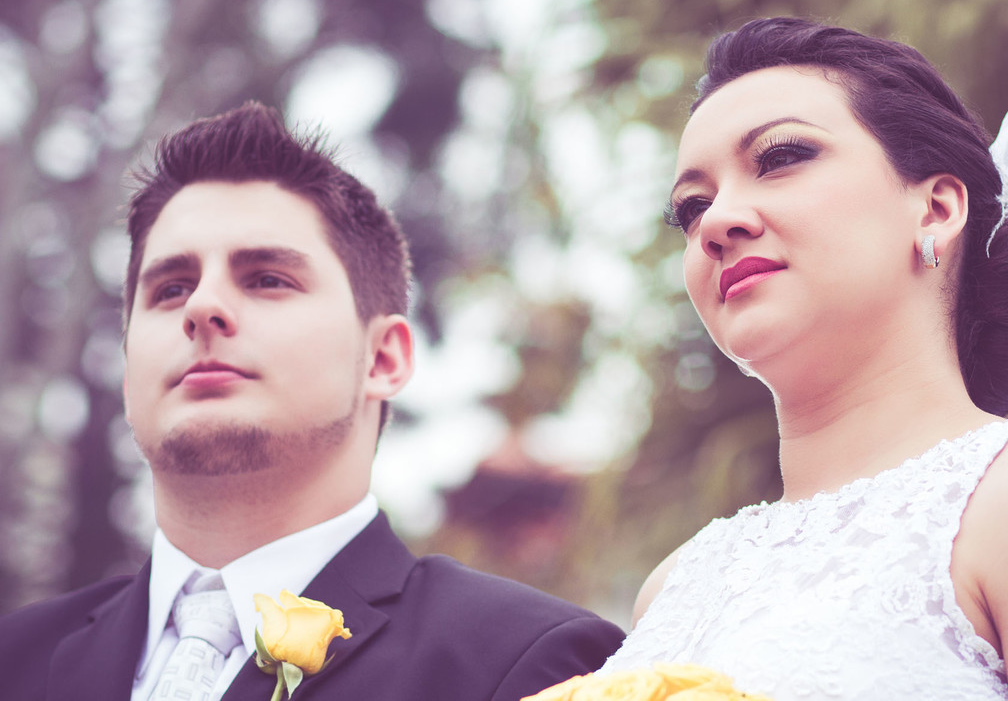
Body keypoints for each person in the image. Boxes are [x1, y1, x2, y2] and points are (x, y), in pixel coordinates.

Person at [598, 18, 1008, 699]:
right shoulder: (673, 586)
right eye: (690, 208)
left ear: (936, 208)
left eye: (780, 156)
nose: (714, 222)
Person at [0, 102, 624, 701]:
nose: (201, 306)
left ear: (382, 358)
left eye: (267, 279)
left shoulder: (530, 664)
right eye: (169, 289)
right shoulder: (13, 658)